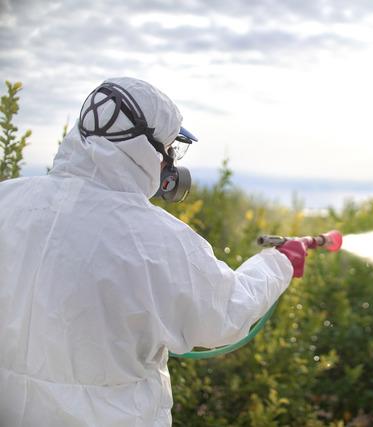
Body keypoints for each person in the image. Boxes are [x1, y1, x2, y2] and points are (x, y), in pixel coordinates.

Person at [0, 77, 307, 426]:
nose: (170, 163)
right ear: (146, 150)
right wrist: (279, 262)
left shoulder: (7, 200)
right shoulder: (155, 238)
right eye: (170, 149)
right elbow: (228, 312)